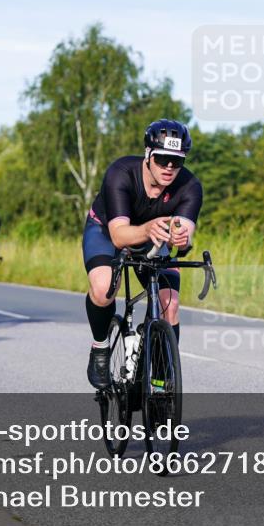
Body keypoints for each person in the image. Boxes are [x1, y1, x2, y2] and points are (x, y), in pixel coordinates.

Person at [82, 119, 202, 389]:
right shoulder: (120, 173)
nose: (169, 167)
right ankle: (100, 347)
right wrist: (148, 228)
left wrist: (182, 239)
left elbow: (185, 234)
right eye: (162, 159)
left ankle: (160, 383)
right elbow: (119, 235)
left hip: (154, 237)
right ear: (148, 154)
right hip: (107, 232)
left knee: (169, 304)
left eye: (177, 161)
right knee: (103, 290)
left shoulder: (190, 185)